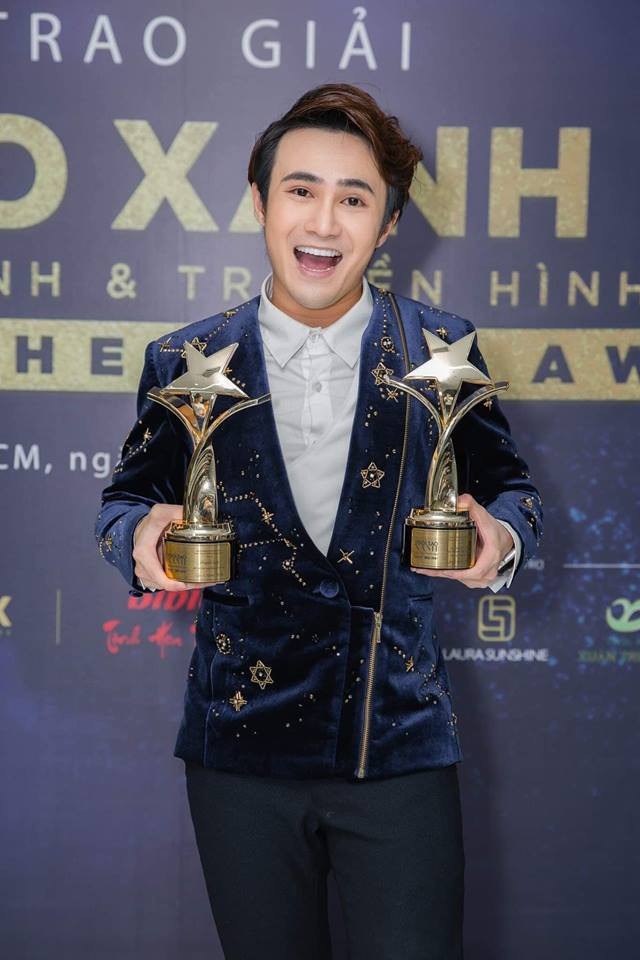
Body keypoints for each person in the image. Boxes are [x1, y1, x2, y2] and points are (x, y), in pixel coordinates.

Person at [96, 83, 543, 960]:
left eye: (354, 199)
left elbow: (513, 490)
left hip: (399, 748)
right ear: (260, 202)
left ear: (389, 223)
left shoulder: (440, 349)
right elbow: (123, 502)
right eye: (301, 190)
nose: (324, 222)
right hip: (238, 754)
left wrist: (498, 540)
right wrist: (142, 542)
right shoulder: (187, 357)